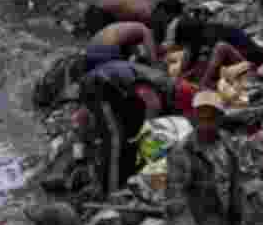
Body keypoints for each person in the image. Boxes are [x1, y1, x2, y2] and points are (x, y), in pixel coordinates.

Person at [165, 91, 247, 225]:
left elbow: (235, 189)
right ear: (193, 118)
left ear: (220, 119)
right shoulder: (182, 151)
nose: (206, 122)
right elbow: (176, 197)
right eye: (201, 116)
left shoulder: (227, 147)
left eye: (211, 117)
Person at [75, 60, 189, 195]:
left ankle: (123, 181)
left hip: (114, 88)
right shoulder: (159, 87)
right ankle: (112, 193)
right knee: (115, 139)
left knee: (129, 138)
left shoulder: (155, 84)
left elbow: (81, 120)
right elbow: (153, 106)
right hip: (103, 85)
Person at [164, 16, 263, 88]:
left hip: (249, 61)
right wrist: (182, 75)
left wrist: (202, 83)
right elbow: (191, 55)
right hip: (237, 58)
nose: (183, 46)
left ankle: (205, 84)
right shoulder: (200, 34)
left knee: (217, 51)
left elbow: (213, 58)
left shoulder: (208, 36)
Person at [81, 0, 185, 38]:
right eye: (169, 17)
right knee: (105, 45)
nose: (168, 20)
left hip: (100, 11)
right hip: (98, 14)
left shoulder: (150, 5)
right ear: (164, 11)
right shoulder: (147, 13)